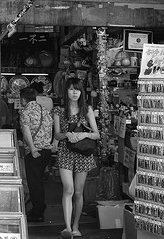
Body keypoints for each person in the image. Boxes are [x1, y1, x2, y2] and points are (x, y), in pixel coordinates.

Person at [53, 77, 100, 239]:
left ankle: (75, 225)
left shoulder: (86, 109)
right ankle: (67, 228)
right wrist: (66, 134)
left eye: (78, 89)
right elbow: (57, 135)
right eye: (72, 89)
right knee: (68, 189)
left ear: (81, 92)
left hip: (83, 153)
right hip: (65, 151)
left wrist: (83, 134)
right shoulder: (59, 110)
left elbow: (97, 134)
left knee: (78, 192)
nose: (75, 93)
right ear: (66, 91)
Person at [19, 87, 53, 223]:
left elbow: (26, 131)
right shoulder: (44, 110)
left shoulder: (25, 112)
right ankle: (39, 208)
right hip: (46, 150)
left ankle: (38, 211)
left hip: (34, 152)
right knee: (38, 181)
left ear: (22, 99)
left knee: (34, 183)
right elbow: (51, 127)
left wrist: (32, 149)